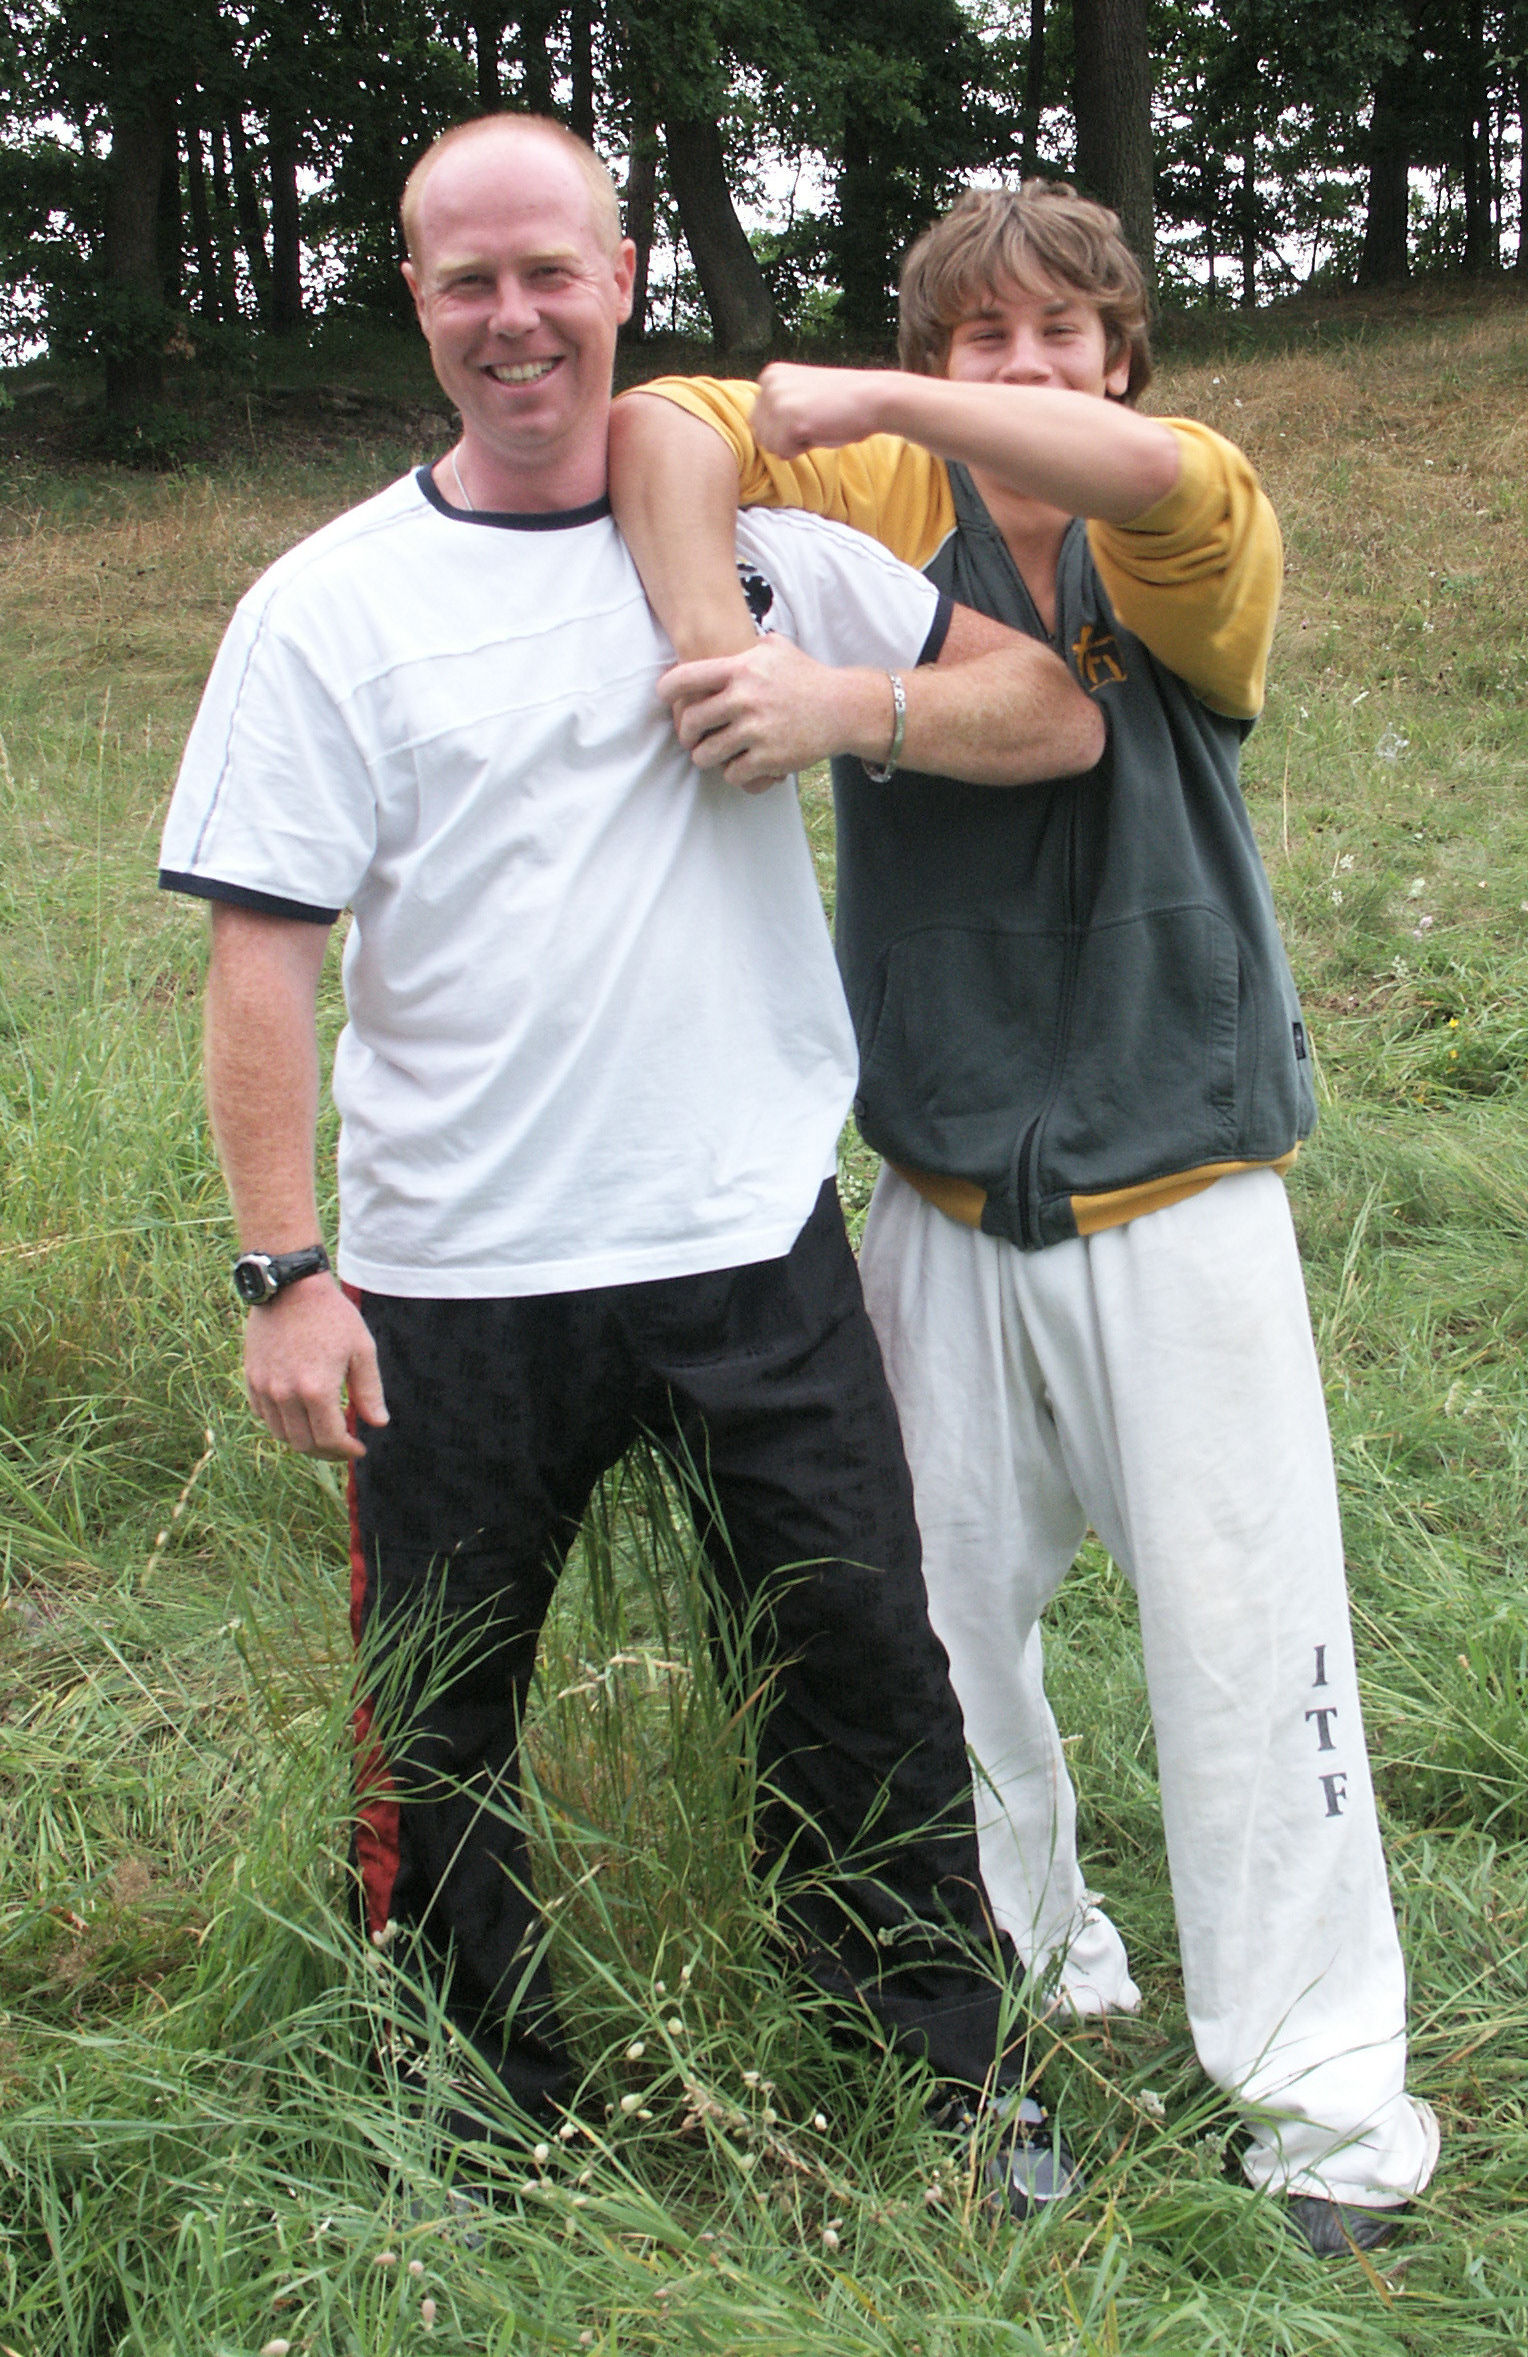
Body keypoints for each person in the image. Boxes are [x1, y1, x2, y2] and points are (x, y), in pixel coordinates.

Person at [157, 118, 1104, 2182]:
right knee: (439, 1718)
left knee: (864, 1665)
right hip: (451, 1282)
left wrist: (843, 707)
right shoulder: (327, 609)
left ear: (623, 276)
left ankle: (941, 2079)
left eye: (549, 273)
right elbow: (261, 963)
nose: (514, 319)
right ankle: (470, 2115)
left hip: (747, 1240)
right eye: (468, 281)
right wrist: (284, 1270)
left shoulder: (780, 554)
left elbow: (1055, 712)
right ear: (418, 300)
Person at [605, 180, 1441, 2252]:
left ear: (1122, 356)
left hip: (1184, 1181)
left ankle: (1328, 2107)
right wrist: (729, 649)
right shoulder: (892, 503)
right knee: (930, 1623)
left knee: (1248, 1649)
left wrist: (882, 427)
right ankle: (1037, 1960)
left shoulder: (1191, 516)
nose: (1026, 365)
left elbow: (1142, 473)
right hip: (940, 1176)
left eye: (1062, 333)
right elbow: (667, 427)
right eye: (980, 337)